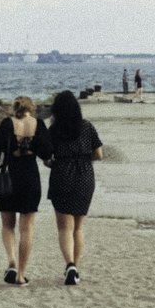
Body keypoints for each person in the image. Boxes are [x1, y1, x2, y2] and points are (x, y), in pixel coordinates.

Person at [0, 96, 53, 285]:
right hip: (30, 177)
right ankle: (21, 274)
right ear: (31, 108)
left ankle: (11, 261)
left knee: (8, 225)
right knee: (27, 229)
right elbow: (47, 152)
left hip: (9, 177)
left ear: (14, 108)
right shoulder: (38, 124)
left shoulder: (7, 124)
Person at [46, 90, 103, 285]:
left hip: (62, 174)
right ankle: (75, 269)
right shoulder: (87, 127)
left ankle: (69, 263)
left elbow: (46, 157)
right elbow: (100, 154)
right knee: (78, 227)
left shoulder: (53, 130)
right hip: (85, 176)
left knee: (64, 227)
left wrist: (55, 162)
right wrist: (84, 159)